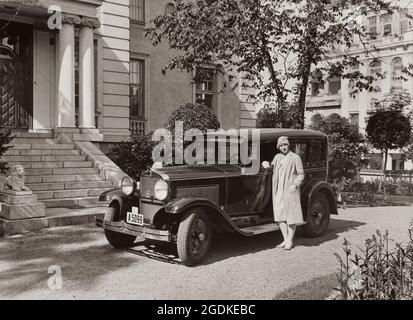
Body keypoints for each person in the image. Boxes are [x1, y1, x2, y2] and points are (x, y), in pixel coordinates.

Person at [271, 136, 305, 250]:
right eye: (281, 145)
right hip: (278, 191)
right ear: (278, 147)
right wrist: (265, 163)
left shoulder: (295, 157)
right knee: (280, 216)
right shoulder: (277, 157)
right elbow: (271, 166)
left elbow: (301, 174)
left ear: (288, 145)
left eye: (285, 145)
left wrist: (295, 184)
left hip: (290, 190)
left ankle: (290, 241)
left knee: (291, 216)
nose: (283, 147)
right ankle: (285, 239)